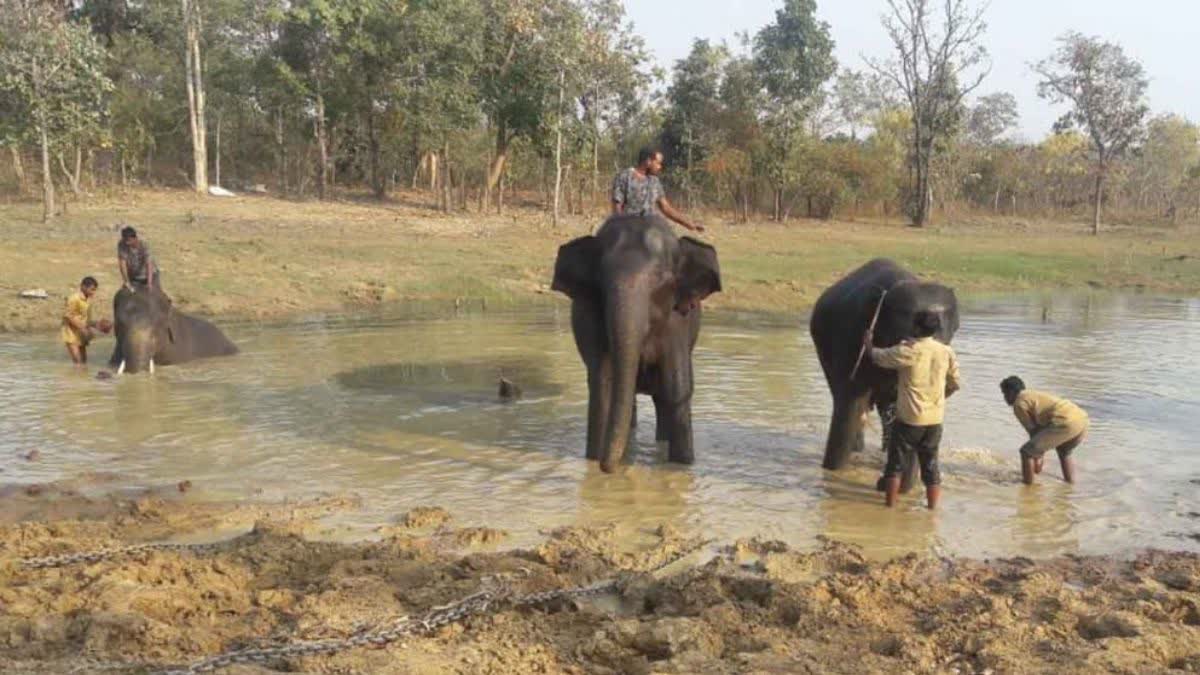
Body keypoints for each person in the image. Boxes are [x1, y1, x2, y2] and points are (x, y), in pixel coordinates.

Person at [862, 311, 961, 509]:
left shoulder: (908, 350)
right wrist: (939, 399)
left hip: (909, 419)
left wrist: (868, 343)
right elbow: (955, 382)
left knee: (895, 465)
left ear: (916, 328)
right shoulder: (946, 351)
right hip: (935, 419)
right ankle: (932, 511)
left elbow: (878, 357)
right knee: (931, 465)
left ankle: (890, 507)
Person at [1000, 376, 1089, 485]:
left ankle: (1028, 489)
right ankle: (1070, 484)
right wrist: (1038, 455)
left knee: (1026, 452)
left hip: (1065, 421)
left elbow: (1033, 433)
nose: (1005, 398)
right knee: (1064, 451)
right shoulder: (1033, 395)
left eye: (1004, 394)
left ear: (1011, 392)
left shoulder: (1019, 403)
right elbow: (1040, 435)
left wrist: (1037, 460)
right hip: (1082, 420)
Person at [611, 147, 705, 233]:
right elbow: (617, 208)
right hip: (629, 232)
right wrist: (623, 232)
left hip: (649, 233)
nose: (660, 167)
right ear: (648, 161)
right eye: (658, 163)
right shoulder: (624, 177)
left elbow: (666, 208)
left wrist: (689, 224)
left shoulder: (654, 181)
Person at [61, 276, 111, 366]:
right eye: (92, 289)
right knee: (78, 362)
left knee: (84, 362)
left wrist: (98, 325)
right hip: (71, 334)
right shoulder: (74, 298)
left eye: (95, 290)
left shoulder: (88, 300)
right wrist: (82, 328)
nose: (93, 292)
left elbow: (86, 320)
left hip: (82, 334)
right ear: (83, 287)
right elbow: (67, 316)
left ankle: (81, 379)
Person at [117, 226, 158, 291]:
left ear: (135, 238)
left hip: (148, 273)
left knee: (154, 293)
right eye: (125, 240)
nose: (127, 243)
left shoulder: (144, 243)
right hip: (133, 274)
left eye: (129, 240)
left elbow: (149, 263)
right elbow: (122, 264)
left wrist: (149, 282)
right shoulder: (122, 244)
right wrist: (126, 281)